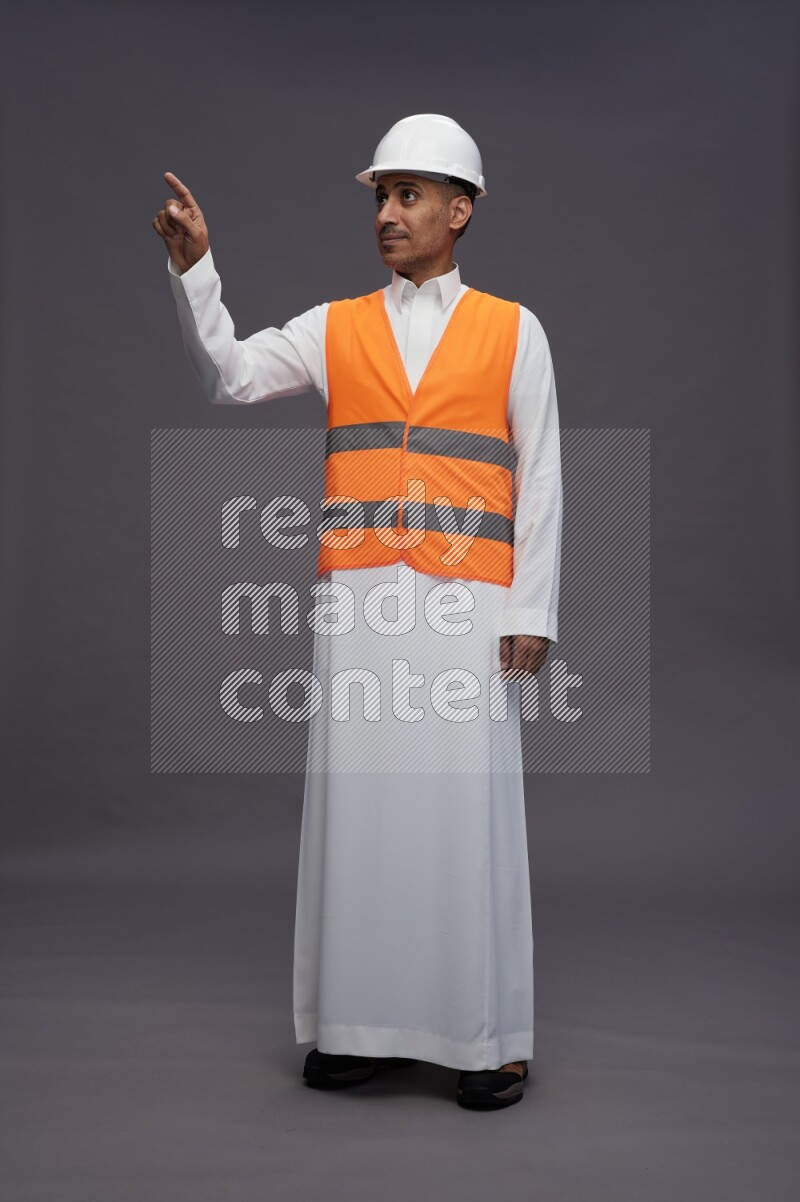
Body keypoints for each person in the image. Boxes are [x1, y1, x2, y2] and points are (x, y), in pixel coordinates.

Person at [153, 113, 563, 1110]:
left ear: (458, 210)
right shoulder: (335, 326)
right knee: (363, 811)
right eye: (379, 195)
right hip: (364, 600)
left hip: (470, 605)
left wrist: (533, 608)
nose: (387, 212)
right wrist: (198, 272)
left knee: (465, 814)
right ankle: (354, 1028)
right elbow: (235, 372)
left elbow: (542, 471)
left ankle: (486, 1037)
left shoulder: (515, 330)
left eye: (408, 194)